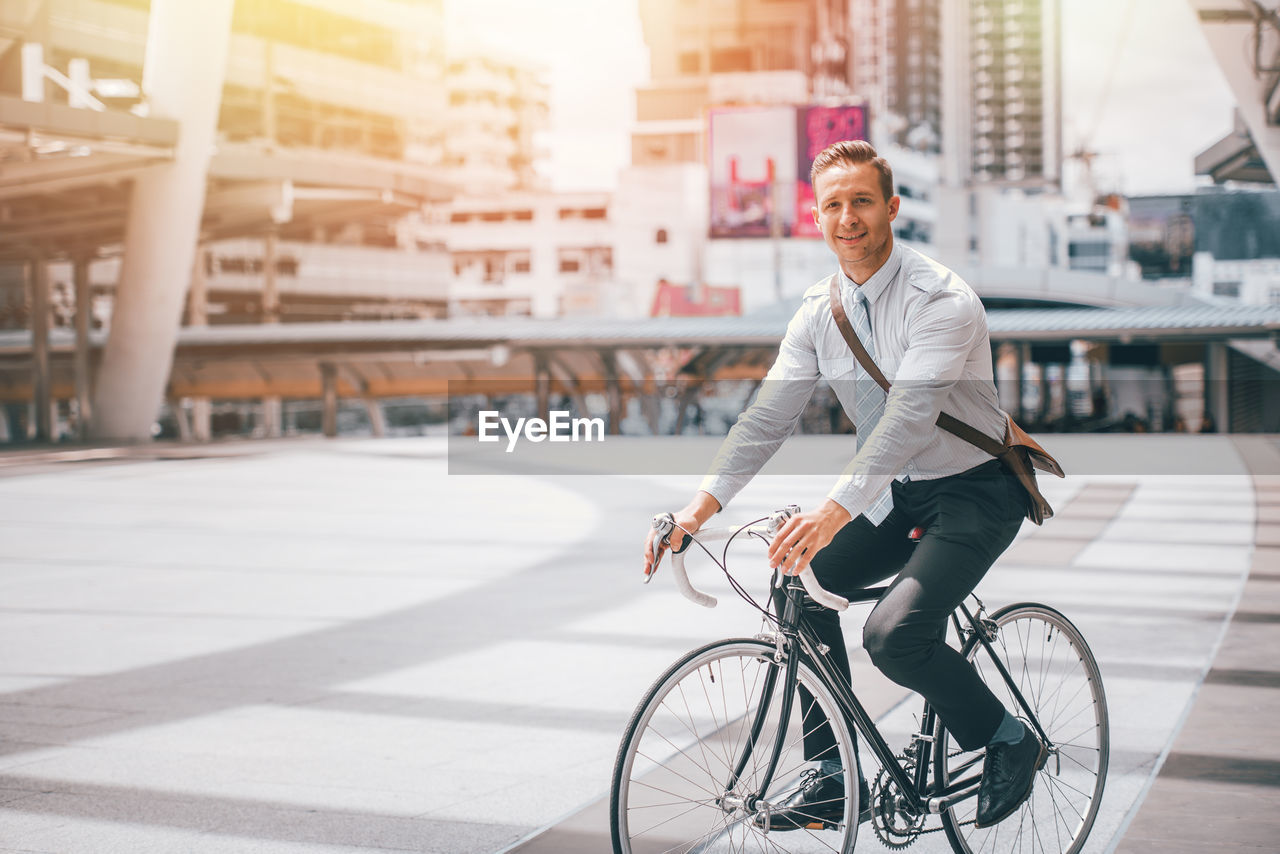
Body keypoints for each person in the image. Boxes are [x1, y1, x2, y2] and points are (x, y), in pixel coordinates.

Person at [642, 140, 1043, 831]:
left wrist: (831, 512)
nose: (847, 217)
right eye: (833, 205)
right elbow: (766, 419)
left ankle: (1008, 737)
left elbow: (907, 419)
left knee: (895, 637)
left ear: (891, 207)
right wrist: (697, 510)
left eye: (861, 201)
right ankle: (831, 773)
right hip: (896, 493)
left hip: (976, 489)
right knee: (798, 581)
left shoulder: (942, 301)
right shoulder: (816, 313)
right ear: (816, 217)